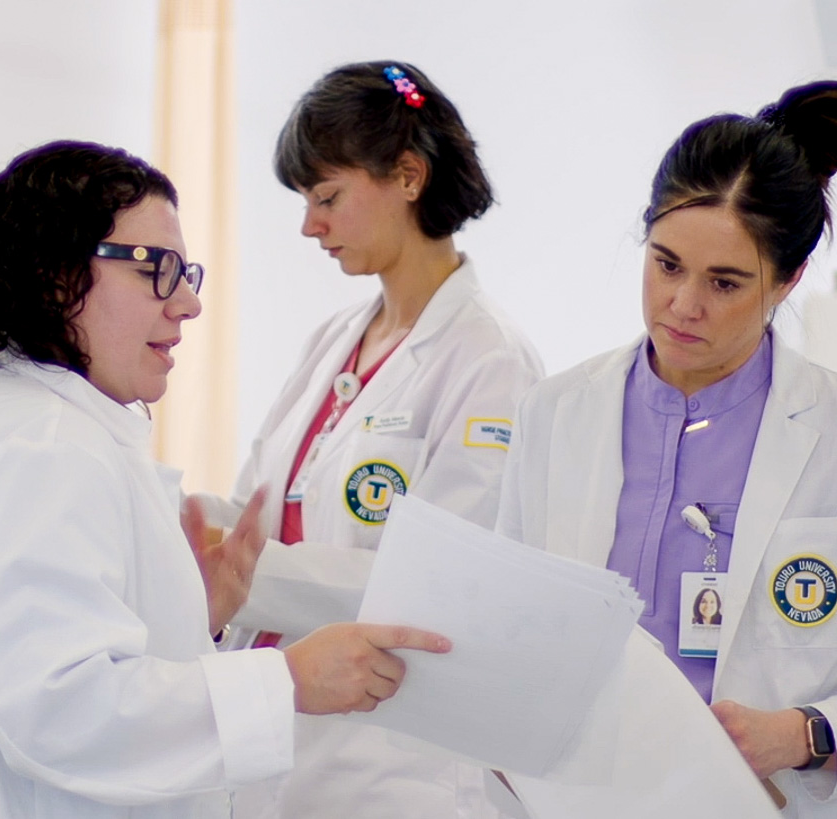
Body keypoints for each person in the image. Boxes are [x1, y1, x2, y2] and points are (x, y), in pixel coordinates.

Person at [0, 140, 451, 819]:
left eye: (188, 273)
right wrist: (287, 681)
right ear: (51, 271)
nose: (187, 303)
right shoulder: (41, 444)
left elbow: (21, 665)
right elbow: (66, 712)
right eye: (156, 268)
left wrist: (186, 617)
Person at [495, 80, 837, 818]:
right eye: (666, 264)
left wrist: (806, 733)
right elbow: (511, 631)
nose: (684, 304)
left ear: (788, 280)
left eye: (725, 282)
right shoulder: (556, 416)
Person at [202, 60, 543, 819]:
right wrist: (175, 521)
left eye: (327, 197)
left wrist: (240, 575)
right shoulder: (334, 340)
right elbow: (251, 505)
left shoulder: (488, 360)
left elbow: (438, 582)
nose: (308, 225)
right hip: (286, 746)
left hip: (399, 769)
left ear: (409, 176)